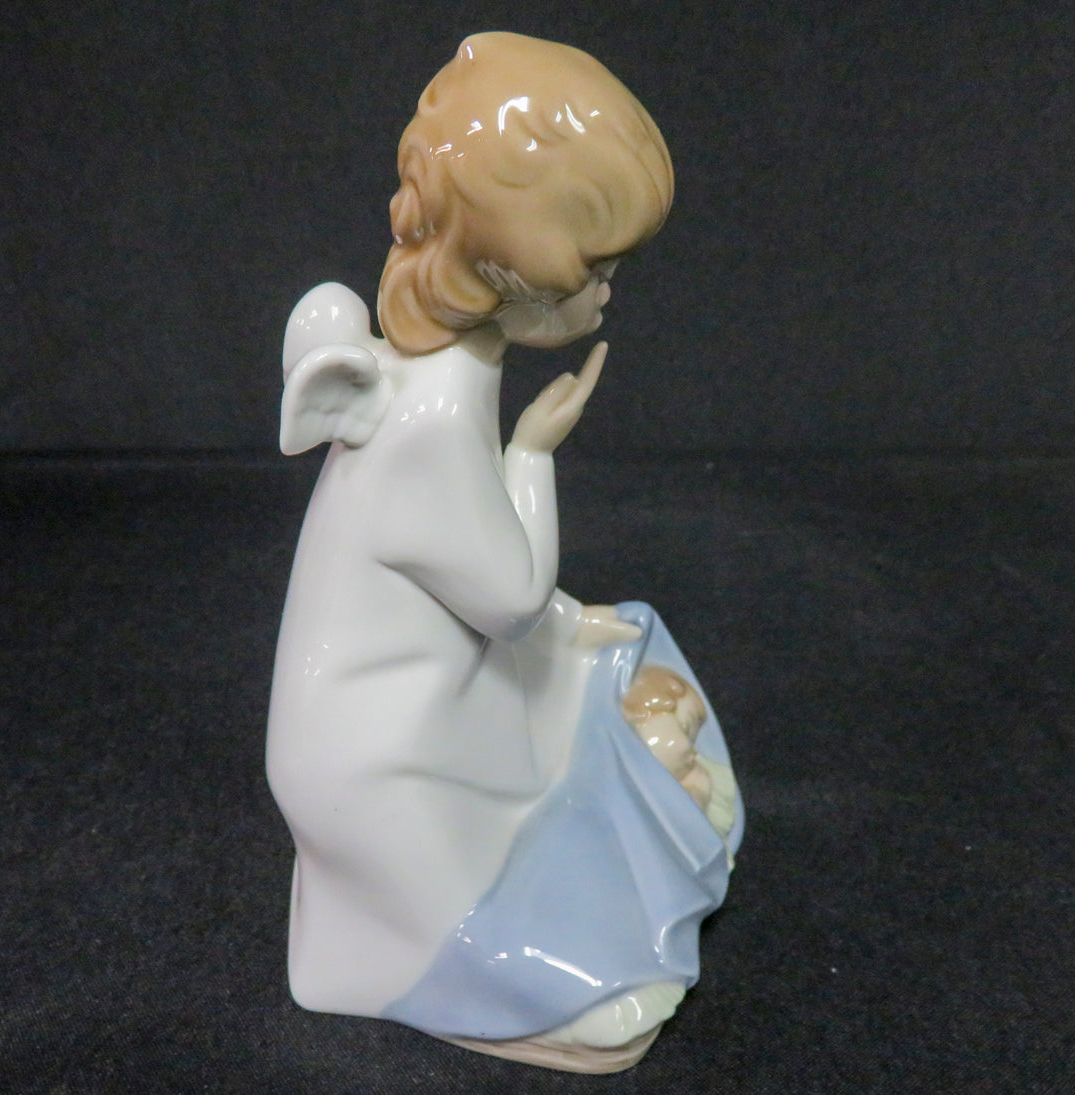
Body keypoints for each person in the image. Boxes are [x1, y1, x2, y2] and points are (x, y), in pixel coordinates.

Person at [267, 32, 739, 1073]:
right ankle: (450, 968)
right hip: (376, 761)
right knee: (568, 839)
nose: (606, 295)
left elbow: (467, 582)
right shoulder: (435, 413)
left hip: (426, 703)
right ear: (509, 270)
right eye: (594, 271)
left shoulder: (429, 376)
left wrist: (566, 621)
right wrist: (533, 453)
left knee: (609, 654)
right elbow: (512, 597)